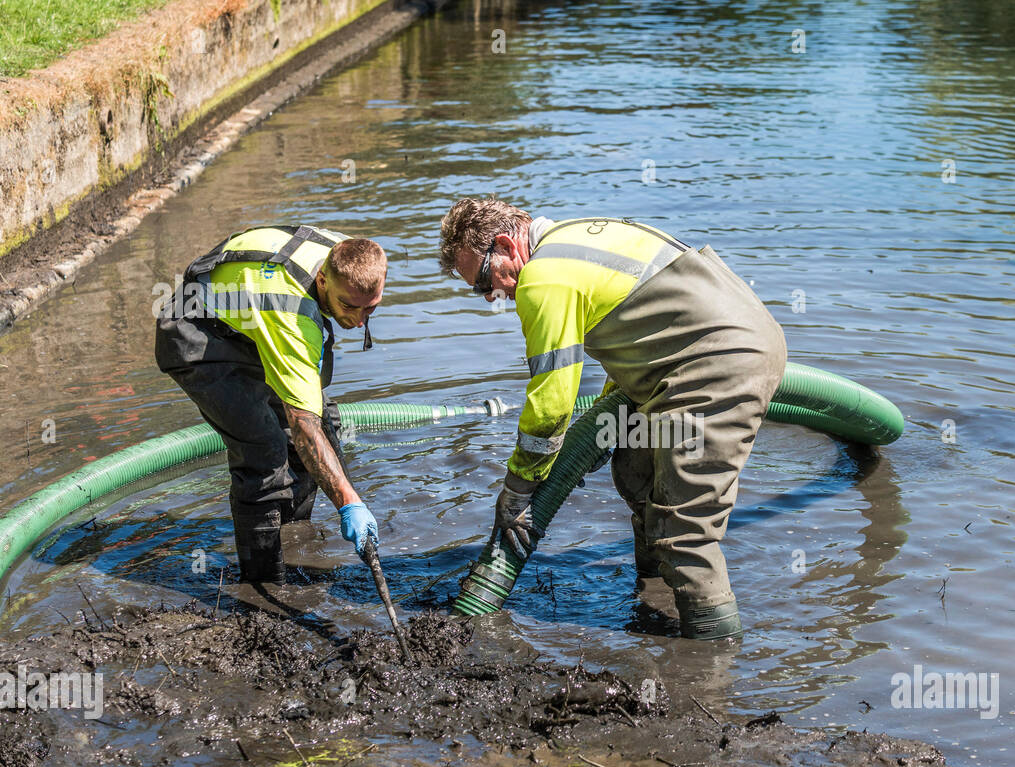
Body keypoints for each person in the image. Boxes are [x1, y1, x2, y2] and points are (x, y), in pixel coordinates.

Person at [438, 198, 787, 639]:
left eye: (485, 279)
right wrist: (613, 409)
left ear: (507, 245)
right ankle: (655, 600)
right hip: (709, 350)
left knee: (685, 528)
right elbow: (640, 324)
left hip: (714, 368)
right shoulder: (577, 235)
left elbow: (551, 402)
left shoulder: (543, 278)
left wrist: (517, 491)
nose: (492, 295)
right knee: (635, 472)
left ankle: (711, 659)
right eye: (479, 290)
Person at [154, 224, 386, 585]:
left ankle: (294, 540)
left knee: (325, 425)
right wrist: (349, 503)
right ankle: (263, 585)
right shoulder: (293, 315)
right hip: (197, 336)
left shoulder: (349, 256)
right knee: (264, 451)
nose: (358, 321)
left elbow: (314, 426)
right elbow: (304, 427)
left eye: (370, 308)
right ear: (323, 281)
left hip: (247, 323)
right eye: (349, 307)